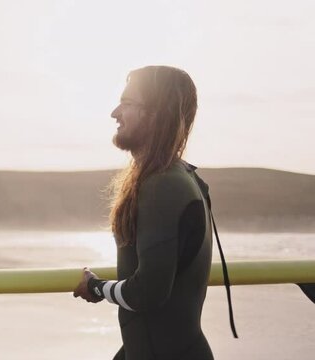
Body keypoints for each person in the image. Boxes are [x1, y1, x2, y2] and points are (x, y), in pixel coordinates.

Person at [73, 66, 216, 359]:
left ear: (155, 113)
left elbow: (149, 293)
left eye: (127, 103)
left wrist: (97, 288)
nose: (115, 112)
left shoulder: (164, 185)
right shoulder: (177, 177)